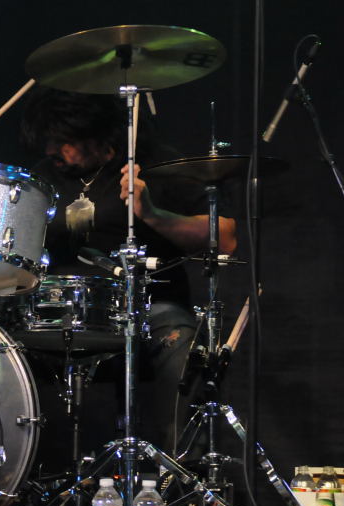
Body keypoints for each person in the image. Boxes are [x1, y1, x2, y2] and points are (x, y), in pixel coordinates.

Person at [16, 87, 237, 454]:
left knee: (181, 344)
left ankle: (179, 473)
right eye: (48, 141)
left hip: (149, 309)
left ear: (99, 136)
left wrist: (152, 213)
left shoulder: (156, 167)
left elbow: (224, 237)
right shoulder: (42, 178)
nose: (51, 150)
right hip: (55, 314)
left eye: (63, 141)